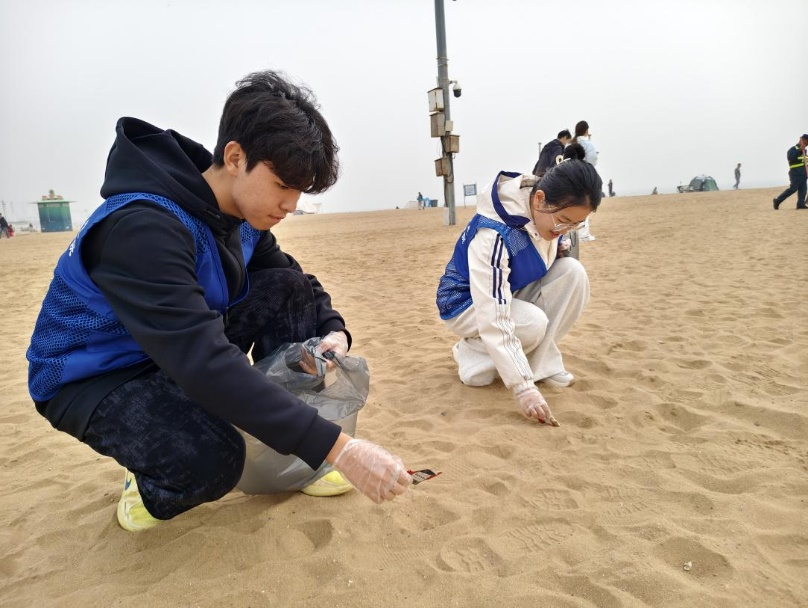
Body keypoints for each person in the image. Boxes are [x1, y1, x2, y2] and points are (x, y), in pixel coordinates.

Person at [26, 70, 411, 533]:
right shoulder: (144, 227)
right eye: (282, 185)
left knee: (286, 289)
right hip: (95, 373)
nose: (291, 204)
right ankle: (146, 479)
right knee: (214, 460)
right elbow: (203, 362)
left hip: (176, 346)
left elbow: (294, 280)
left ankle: (293, 461)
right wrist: (342, 450)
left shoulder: (242, 215)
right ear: (234, 157)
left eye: (299, 191)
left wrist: (334, 332)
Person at [436, 160, 602, 425]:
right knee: (532, 324)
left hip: (509, 290)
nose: (563, 231)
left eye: (575, 225)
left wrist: (556, 244)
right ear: (539, 199)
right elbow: (493, 312)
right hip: (464, 304)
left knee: (573, 273)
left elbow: (541, 245)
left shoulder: (545, 215)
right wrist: (523, 388)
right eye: (562, 221)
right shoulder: (495, 233)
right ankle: (471, 354)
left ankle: (539, 365)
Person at [570, 121, 598, 241]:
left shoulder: (571, 143)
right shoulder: (587, 144)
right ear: (586, 130)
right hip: (583, 177)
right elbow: (593, 160)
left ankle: (573, 233)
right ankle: (583, 234)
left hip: (570, 177)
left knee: (572, 205)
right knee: (585, 204)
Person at [772, 134, 808, 210]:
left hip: (803, 173)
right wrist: (799, 150)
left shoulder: (805, 151)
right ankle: (777, 201)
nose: (807, 144)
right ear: (803, 140)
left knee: (803, 189)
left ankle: (800, 204)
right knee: (793, 188)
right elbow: (791, 158)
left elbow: (805, 163)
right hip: (795, 173)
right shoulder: (793, 149)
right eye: (807, 141)